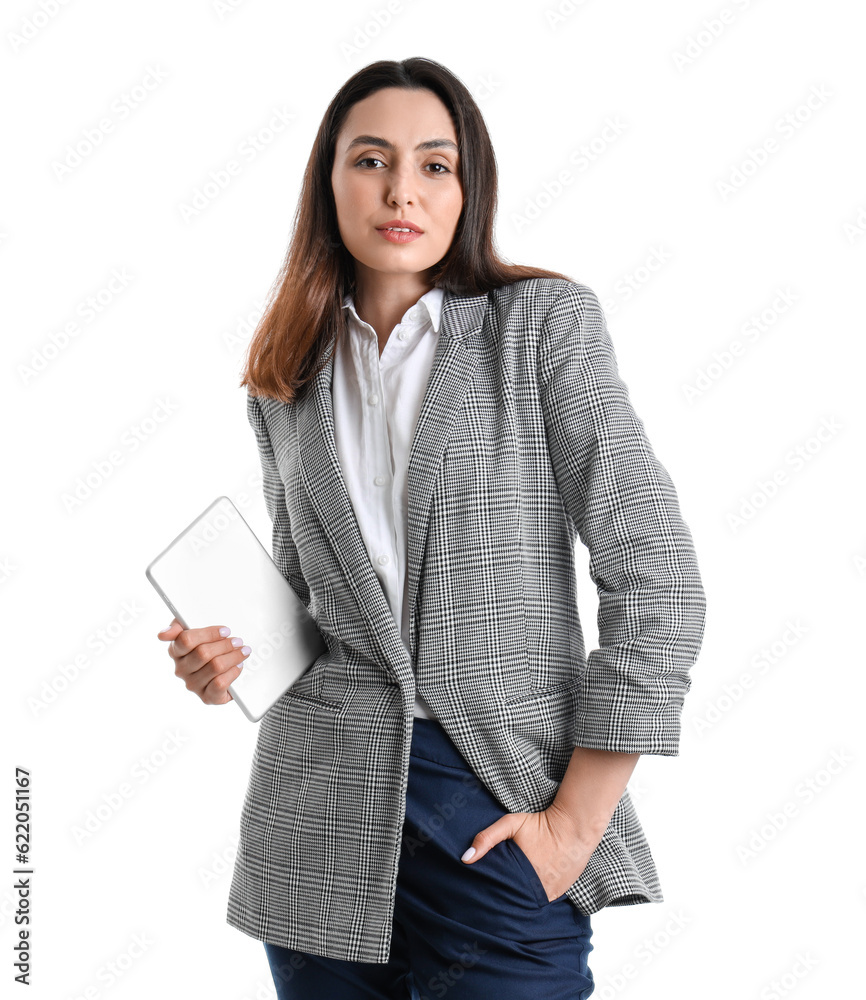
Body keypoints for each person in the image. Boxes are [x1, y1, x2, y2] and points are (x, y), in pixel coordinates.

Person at [157, 57, 706, 1000]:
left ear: (467, 188)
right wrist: (223, 666)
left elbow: (656, 574)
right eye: (370, 160)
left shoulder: (541, 328)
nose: (400, 189)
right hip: (315, 827)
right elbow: (312, 614)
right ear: (327, 185)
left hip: (495, 802)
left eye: (434, 165)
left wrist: (574, 824)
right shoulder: (285, 381)